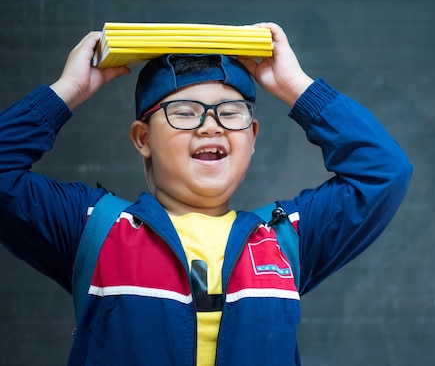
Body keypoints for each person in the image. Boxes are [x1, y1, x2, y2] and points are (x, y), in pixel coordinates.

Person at [0, 22, 413, 365]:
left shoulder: (286, 240)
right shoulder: (94, 229)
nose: (210, 125)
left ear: (252, 137)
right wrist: (66, 92)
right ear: (142, 137)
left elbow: (384, 172)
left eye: (230, 113)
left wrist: (295, 87)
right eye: (183, 112)